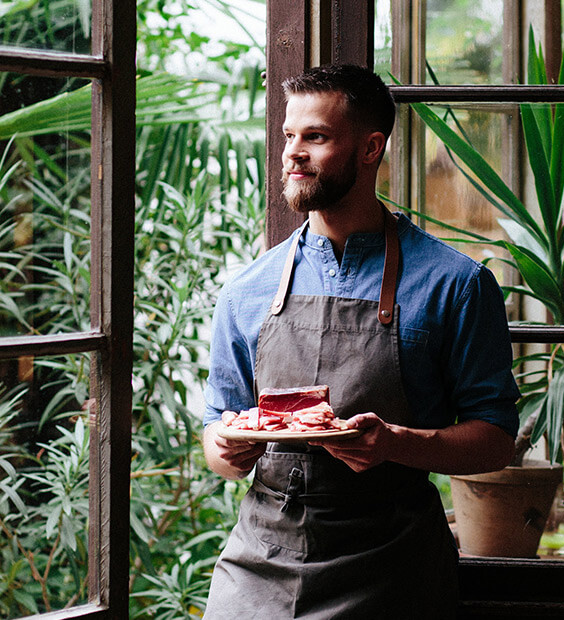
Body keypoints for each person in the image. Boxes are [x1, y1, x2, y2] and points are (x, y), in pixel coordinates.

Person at [201, 64, 520, 618]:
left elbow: (494, 440)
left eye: (316, 137)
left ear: (371, 147)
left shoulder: (457, 286)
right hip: (260, 567)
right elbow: (216, 435)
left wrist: (396, 443)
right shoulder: (246, 292)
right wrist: (228, 447)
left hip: (391, 569)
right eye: (288, 136)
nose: (292, 153)